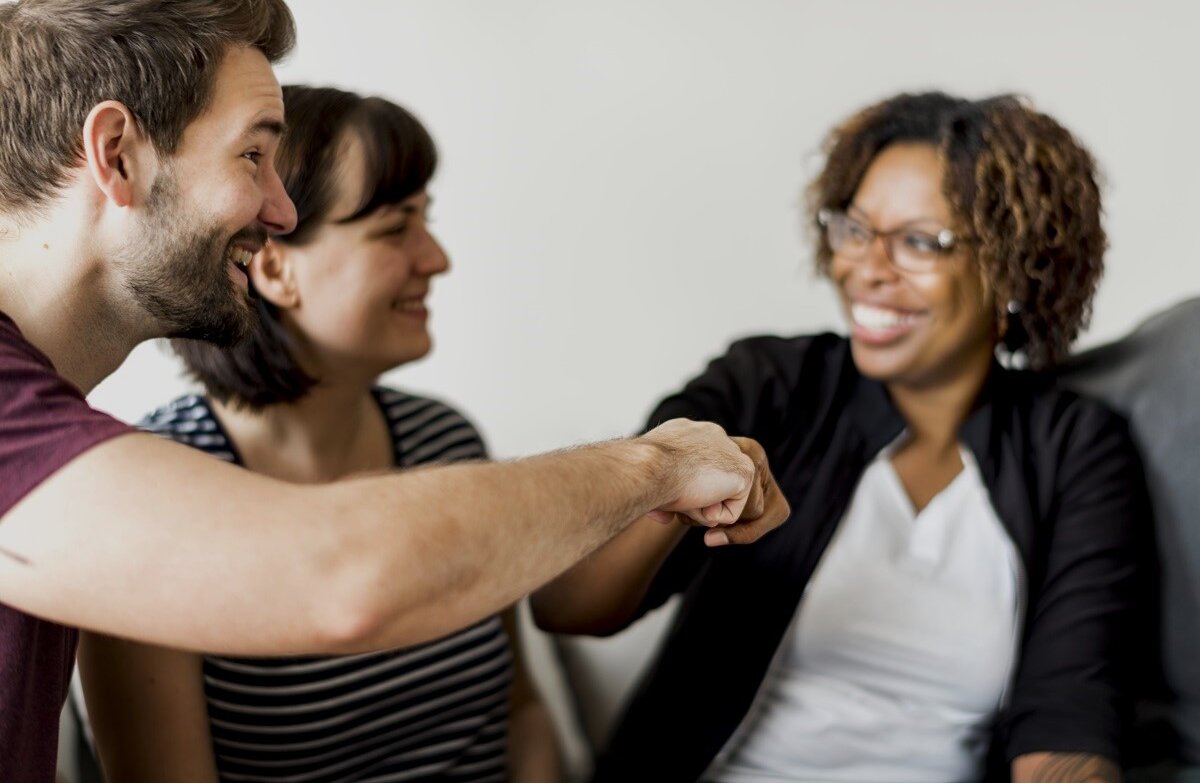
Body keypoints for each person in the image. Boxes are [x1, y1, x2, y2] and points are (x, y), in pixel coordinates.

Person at [0, 2, 787, 779]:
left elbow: (524, 680)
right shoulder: (74, 440)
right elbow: (346, 578)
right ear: (117, 154)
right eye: (251, 156)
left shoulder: (73, 442)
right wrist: (657, 463)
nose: (279, 211)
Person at [533, 92, 1153, 782]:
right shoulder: (770, 386)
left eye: (919, 240)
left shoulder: (1073, 447)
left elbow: (1068, 722)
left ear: (1015, 268)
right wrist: (665, 473)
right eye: (854, 229)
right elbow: (565, 605)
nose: (867, 266)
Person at [76, 84, 564, 783]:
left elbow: (522, 711)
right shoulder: (151, 494)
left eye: (426, 221)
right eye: (396, 228)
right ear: (275, 266)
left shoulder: (446, 441)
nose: (436, 259)